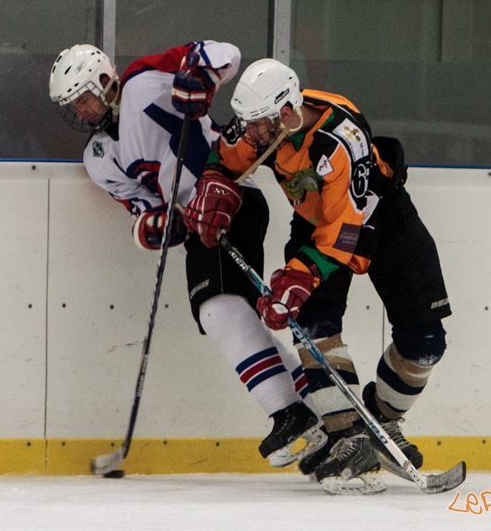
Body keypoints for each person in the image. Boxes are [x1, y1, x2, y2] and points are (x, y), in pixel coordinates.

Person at [48, 43, 327, 469]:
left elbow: (224, 54)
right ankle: (319, 412)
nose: (81, 110)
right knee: (232, 318)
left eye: (84, 97)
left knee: (218, 311)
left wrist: (200, 78)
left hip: (232, 196)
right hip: (200, 224)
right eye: (73, 105)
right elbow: (143, 211)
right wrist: (159, 226)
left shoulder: (143, 82)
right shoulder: (98, 157)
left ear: (105, 81)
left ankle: (291, 415)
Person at [189, 58, 452, 494]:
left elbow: (345, 230)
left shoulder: (340, 140)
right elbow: (227, 157)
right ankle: (349, 436)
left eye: (259, 124)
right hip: (315, 223)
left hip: (381, 218)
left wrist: (302, 274)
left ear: (287, 113)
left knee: (426, 344)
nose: (250, 133)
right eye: (247, 123)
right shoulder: (260, 122)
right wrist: (216, 183)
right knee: (313, 324)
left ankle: (380, 421)